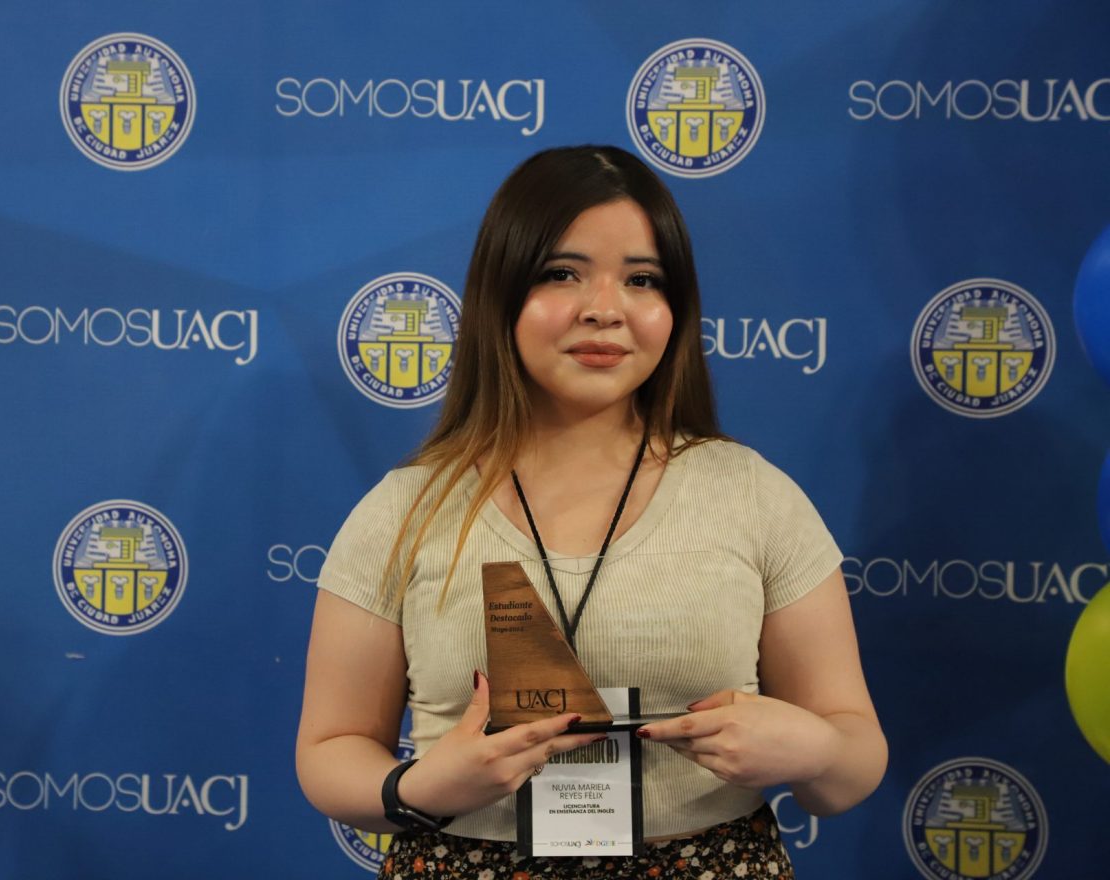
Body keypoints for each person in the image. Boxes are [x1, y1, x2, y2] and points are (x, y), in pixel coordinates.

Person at [296, 145, 886, 878]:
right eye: (561, 273)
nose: (605, 309)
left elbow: (853, 761)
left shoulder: (754, 496)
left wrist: (813, 750)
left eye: (642, 280)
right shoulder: (406, 510)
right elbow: (330, 749)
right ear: (502, 293)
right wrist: (420, 788)